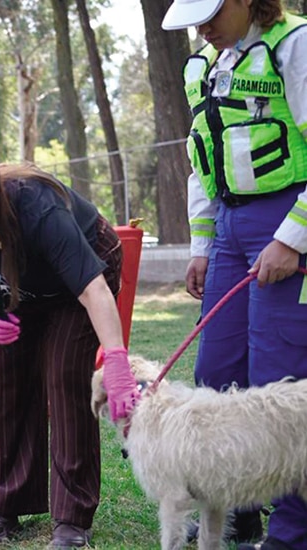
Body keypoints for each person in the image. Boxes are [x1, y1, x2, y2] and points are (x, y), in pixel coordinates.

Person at [0, 142, 139, 548]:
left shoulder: (36, 205)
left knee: (65, 378)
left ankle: (73, 517)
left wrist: (117, 359)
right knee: (5, 386)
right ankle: (2, 506)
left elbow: (92, 291)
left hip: (79, 282)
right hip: (19, 286)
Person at [162, 1, 307, 548]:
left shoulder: (295, 45)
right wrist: (203, 244)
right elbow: (203, 160)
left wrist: (291, 239)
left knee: (281, 388)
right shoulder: (205, 64)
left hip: (286, 217)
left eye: (210, 14)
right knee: (217, 372)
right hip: (229, 227)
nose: (201, 29)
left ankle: (292, 533)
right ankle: (237, 508)